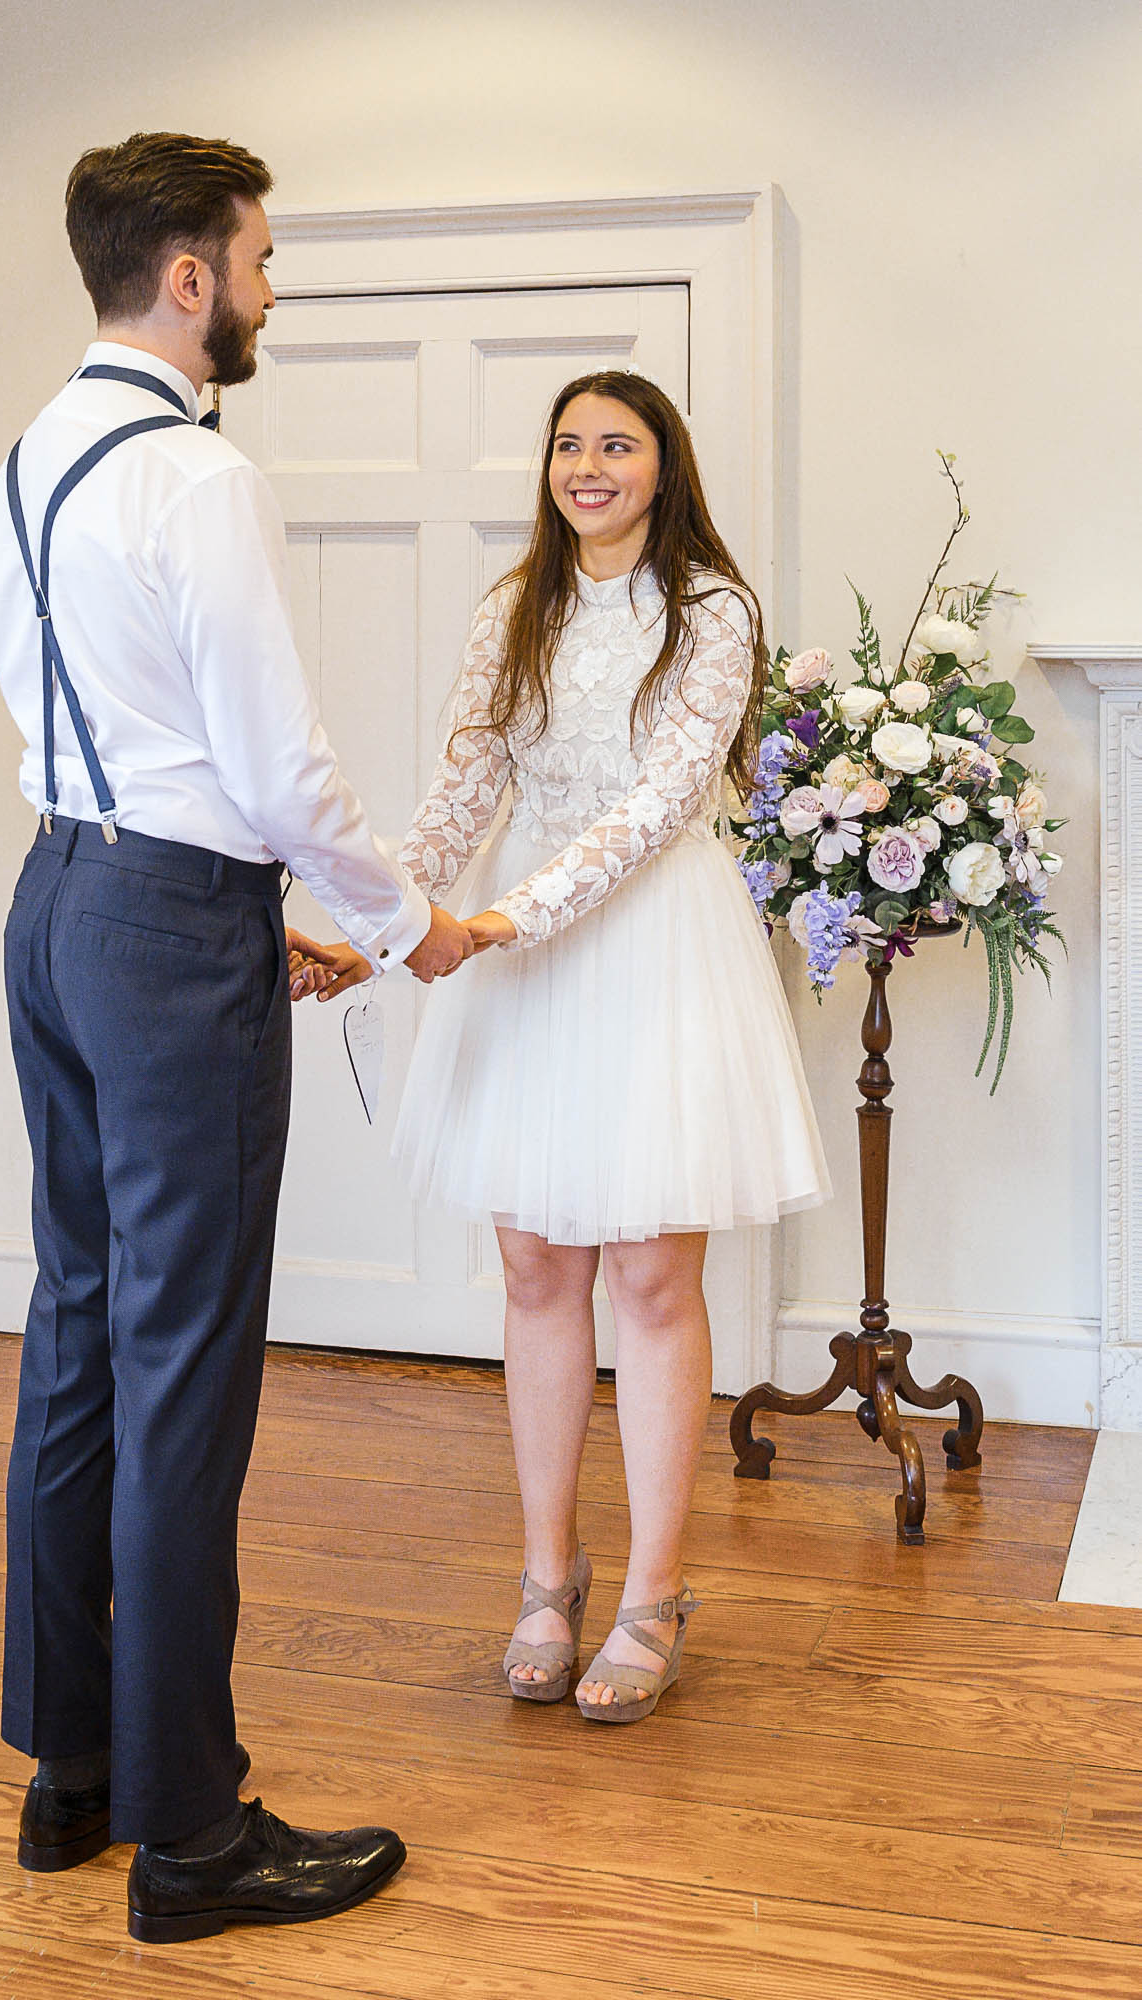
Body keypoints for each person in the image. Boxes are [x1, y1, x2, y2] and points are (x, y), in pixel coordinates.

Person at [0, 130, 472, 1944]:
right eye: (258, 258)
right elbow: (272, 767)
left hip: (54, 903)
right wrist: (413, 924)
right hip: (166, 928)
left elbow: (101, 730)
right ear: (188, 278)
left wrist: (240, 902)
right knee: (187, 1365)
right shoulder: (197, 476)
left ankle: (76, 1770)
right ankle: (193, 1837)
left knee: (82, 1331)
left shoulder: (22, 464)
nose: (267, 289)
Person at [311, 371, 829, 1723]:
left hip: (654, 953)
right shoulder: (512, 610)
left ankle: (658, 1594)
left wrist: (504, 919)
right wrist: (372, 928)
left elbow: (665, 805)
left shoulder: (713, 611)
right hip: (515, 954)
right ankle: (549, 1576)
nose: (588, 466)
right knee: (537, 1270)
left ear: (666, 465)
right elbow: (464, 789)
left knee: (653, 1278)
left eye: (617, 444)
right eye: (567, 445)